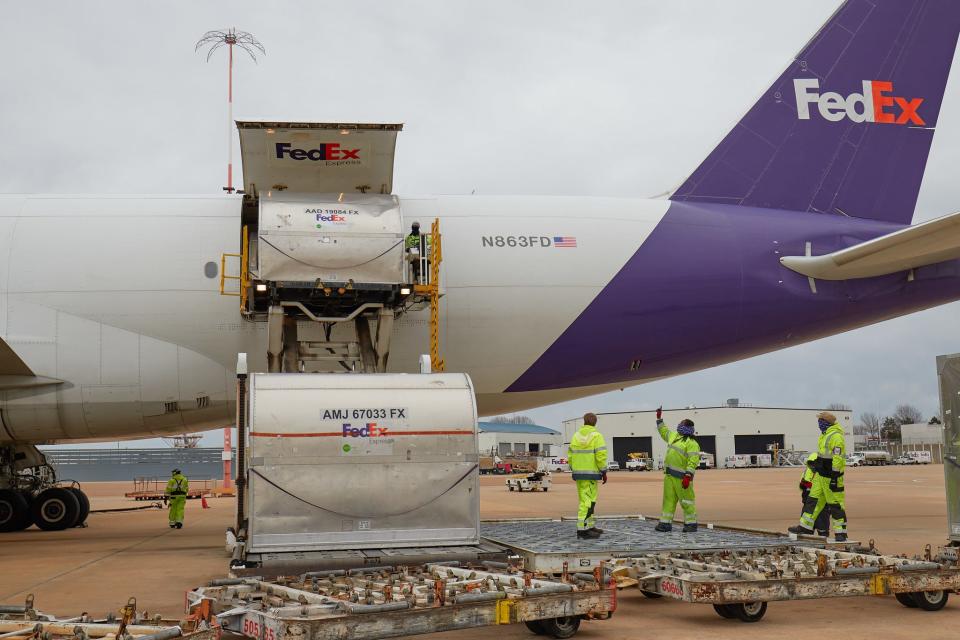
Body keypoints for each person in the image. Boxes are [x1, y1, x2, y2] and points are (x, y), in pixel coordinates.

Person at [789, 411, 847, 541]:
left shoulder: (836, 436)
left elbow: (838, 458)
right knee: (812, 501)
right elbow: (824, 455)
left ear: (826, 422)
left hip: (831, 476)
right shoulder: (824, 435)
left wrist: (834, 476)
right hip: (821, 476)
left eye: (820, 421)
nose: (819, 424)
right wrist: (817, 464)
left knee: (835, 504)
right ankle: (805, 526)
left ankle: (841, 533)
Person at [654, 406, 700, 533]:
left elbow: (693, 461)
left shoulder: (692, 443)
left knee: (686, 501)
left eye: (681, 423)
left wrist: (688, 475)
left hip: (682, 478)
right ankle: (665, 524)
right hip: (669, 476)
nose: (678, 425)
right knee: (668, 500)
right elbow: (664, 432)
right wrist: (659, 419)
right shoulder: (674, 436)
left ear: (685, 427)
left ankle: (691, 524)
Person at [568, 412, 608, 539]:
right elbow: (601, 455)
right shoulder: (597, 436)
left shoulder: (575, 436)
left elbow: (570, 455)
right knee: (587, 502)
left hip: (579, 474)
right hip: (591, 474)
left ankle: (590, 525)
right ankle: (582, 530)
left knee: (586, 500)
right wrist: (604, 471)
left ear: (584, 421)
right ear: (595, 422)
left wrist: (574, 469)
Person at [799, 452, 830, 536]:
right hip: (809, 504)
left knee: (823, 531)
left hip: (821, 505)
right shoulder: (807, 472)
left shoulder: (824, 473)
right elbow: (802, 486)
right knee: (806, 530)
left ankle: (823, 542)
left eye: (814, 463)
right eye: (810, 464)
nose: (812, 466)